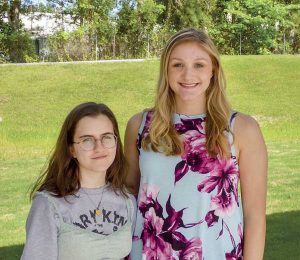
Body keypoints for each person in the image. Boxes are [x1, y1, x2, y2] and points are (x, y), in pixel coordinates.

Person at [125, 28, 267, 259]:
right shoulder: (140, 126)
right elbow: (128, 196)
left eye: (199, 65)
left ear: (213, 70)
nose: (188, 75)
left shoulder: (242, 129)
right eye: (177, 65)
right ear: (166, 71)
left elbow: (255, 214)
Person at [22, 102, 136, 260]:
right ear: (71, 149)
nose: (99, 147)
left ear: (116, 142)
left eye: (107, 137)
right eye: (87, 140)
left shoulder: (126, 200)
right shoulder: (49, 204)